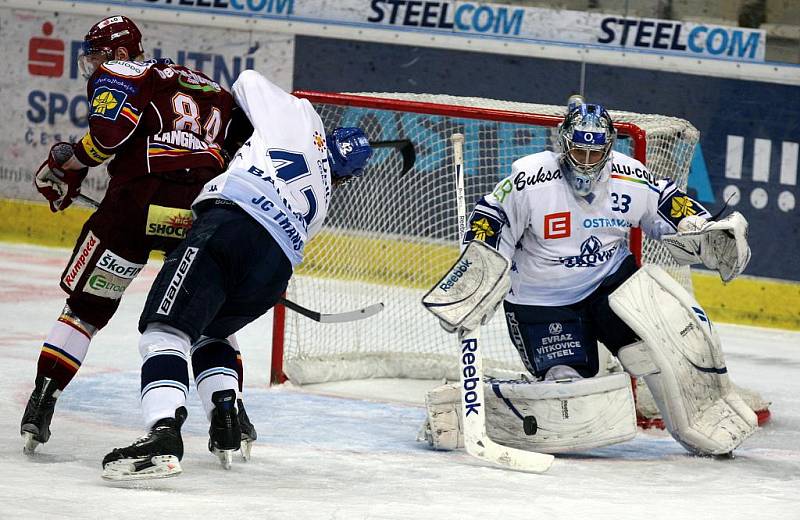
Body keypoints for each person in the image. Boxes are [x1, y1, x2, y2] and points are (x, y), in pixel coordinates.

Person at [422, 97, 757, 457]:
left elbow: (667, 201)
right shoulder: (529, 180)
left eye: (594, 154)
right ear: (563, 146)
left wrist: (699, 226)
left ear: (608, 150)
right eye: (578, 152)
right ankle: (467, 404)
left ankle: (703, 423)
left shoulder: (630, 177)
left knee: (661, 354)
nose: (585, 162)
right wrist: (481, 267)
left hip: (613, 286)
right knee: (568, 395)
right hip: (543, 302)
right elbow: (492, 216)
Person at [100, 69, 373, 480]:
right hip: (272, 270)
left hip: (228, 226)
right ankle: (227, 417)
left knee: (165, 332)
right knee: (211, 332)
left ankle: (163, 433)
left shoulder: (302, 115)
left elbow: (245, 81)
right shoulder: (323, 198)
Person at [21, 15, 258, 457]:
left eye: (97, 56)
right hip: (198, 209)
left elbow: (107, 138)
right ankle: (229, 412)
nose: (93, 66)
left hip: (138, 201)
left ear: (120, 52)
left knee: (85, 310)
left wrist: (67, 164)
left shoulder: (124, 72)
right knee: (208, 319)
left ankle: (42, 401)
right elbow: (245, 150)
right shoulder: (213, 89)